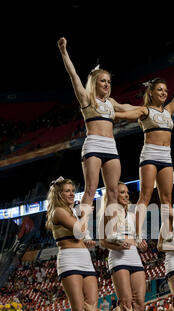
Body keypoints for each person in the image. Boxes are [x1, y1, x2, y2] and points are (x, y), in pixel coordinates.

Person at [57, 37, 138, 243]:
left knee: (112, 191)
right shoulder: (87, 99)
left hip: (111, 147)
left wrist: (150, 110)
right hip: (93, 144)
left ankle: (112, 231)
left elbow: (129, 108)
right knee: (91, 188)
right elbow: (73, 75)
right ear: (95, 82)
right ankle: (82, 228)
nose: (107, 84)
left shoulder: (110, 102)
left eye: (109, 81)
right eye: (103, 80)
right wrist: (64, 51)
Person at [114, 66, 174, 242]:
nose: (164, 93)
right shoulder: (145, 110)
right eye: (159, 90)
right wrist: (110, 113)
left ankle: (168, 233)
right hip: (149, 155)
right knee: (145, 196)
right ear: (151, 92)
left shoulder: (168, 110)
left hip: (166, 156)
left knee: (167, 199)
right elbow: (127, 113)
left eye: (165, 90)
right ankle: (137, 233)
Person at [45, 176, 98, 311]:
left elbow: (81, 234)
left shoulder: (72, 211)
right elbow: (78, 230)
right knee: (77, 308)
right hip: (69, 259)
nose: (71, 193)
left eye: (72, 190)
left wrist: (87, 241)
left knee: (91, 306)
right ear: (59, 194)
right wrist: (86, 214)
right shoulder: (58, 212)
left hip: (84, 258)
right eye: (67, 191)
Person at [100, 182, 147, 311]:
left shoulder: (133, 216)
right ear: (114, 195)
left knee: (139, 303)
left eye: (127, 192)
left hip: (135, 258)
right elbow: (103, 241)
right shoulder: (107, 214)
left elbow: (138, 239)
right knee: (126, 302)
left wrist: (142, 245)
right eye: (122, 192)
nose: (126, 195)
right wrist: (117, 245)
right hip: (118, 258)